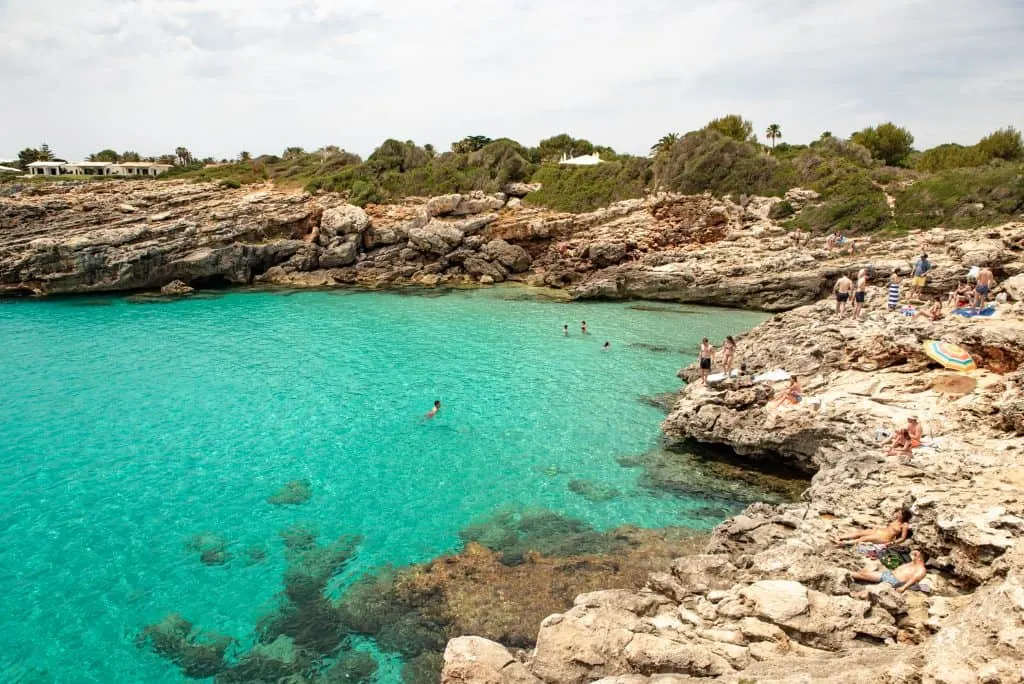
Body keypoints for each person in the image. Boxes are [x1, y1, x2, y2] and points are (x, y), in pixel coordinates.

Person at [851, 549, 928, 594]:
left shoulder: (921, 569)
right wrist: (916, 553)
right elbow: (912, 553)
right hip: (888, 574)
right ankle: (847, 574)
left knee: (870, 591)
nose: (915, 555)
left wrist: (903, 588)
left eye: (917, 555)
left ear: (919, 559)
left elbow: (913, 579)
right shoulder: (913, 562)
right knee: (863, 574)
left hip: (893, 581)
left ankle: (855, 593)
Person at [834, 509, 912, 546]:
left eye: (900, 514)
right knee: (860, 532)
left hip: (885, 538)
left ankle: (844, 543)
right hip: (880, 531)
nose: (897, 514)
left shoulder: (904, 525)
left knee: (864, 538)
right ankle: (839, 537)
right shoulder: (896, 519)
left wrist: (890, 543)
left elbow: (902, 538)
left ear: (904, 516)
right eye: (898, 513)